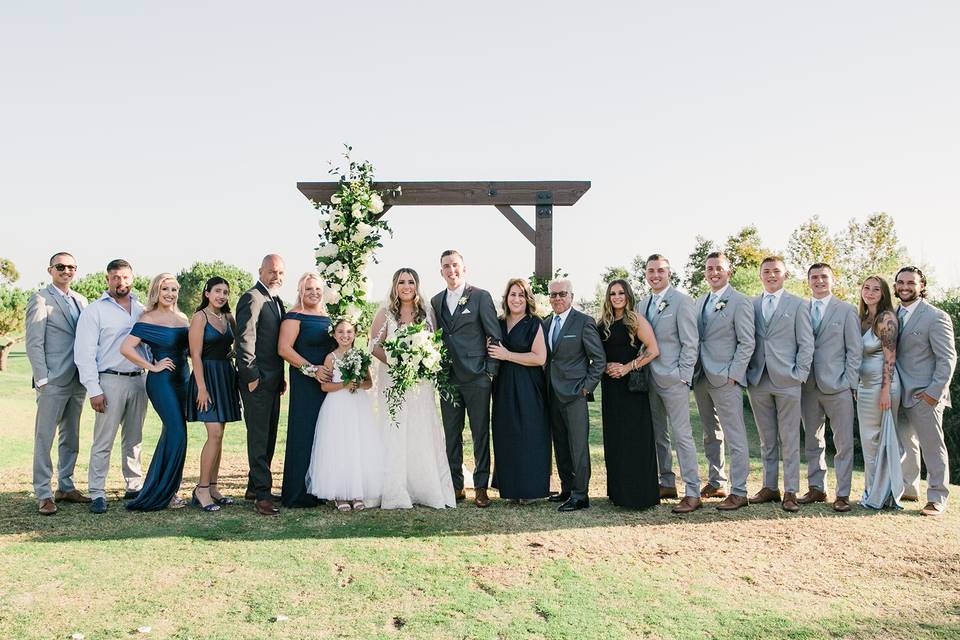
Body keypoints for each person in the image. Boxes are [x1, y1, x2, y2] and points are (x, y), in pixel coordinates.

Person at [372, 268, 456, 510]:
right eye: (401, 282)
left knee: (421, 426)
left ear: (417, 285)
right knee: (395, 427)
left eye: (411, 282)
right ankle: (395, 488)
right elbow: (374, 346)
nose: (406, 286)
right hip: (393, 379)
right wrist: (398, 362)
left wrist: (420, 362)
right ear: (394, 286)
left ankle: (425, 487)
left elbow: (434, 345)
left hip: (421, 381)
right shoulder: (385, 313)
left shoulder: (426, 312)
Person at [74, 258, 148, 514]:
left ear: (132, 278)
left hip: (138, 380)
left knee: (134, 438)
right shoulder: (95, 311)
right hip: (109, 380)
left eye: (125, 277)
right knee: (103, 440)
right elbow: (84, 354)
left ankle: (134, 485)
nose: (121, 282)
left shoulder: (141, 310)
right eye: (115, 278)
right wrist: (94, 389)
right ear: (108, 280)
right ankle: (97, 492)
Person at [430, 250, 502, 507]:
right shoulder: (435, 301)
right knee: (452, 434)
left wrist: (490, 371)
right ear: (441, 272)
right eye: (446, 267)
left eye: (455, 265)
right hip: (448, 379)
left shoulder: (480, 297)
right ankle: (455, 485)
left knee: (480, 433)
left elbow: (494, 334)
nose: (452, 270)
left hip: (477, 377)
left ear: (464, 268)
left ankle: (481, 487)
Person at [746, 256, 814, 513]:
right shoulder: (751, 304)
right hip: (758, 378)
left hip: (788, 379)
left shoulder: (798, 305)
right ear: (760, 275)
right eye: (766, 271)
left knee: (790, 437)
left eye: (776, 271)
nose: (771, 275)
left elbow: (806, 344)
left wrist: (799, 374)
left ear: (785, 275)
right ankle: (769, 486)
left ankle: (791, 491)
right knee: (767, 438)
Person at [119, 273, 191, 511]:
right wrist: (152, 366)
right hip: (162, 382)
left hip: (183, 380)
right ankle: (165, 493)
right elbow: (126, 348)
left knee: (173, 434)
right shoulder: (147, 318)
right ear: (156, 293)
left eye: (174, 290)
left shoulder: (182, 318)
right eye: (165, 290)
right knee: (178, 432)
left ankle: (166, 489)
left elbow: (191, 350)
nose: (170, 294)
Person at [26, 252, 90, 515]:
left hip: (77, 379)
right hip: (52, 380)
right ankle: (43, 492)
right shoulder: (41, 299)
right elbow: (34, 341)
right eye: (61, 267)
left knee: (71, 436)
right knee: (45, 437)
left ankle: (66, 485)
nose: (66, 271)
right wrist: (42, 377)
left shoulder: (81, 300)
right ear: (50, 270)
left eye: (71, 267)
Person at [638, 254, 702, 514]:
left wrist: (683, 375)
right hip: (649, 378)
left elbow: (691, 342)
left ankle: (693, 491)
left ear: (669, 273)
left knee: (682, 435)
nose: (655, 275)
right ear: (646, 274)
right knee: (658, 434)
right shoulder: (642, 305)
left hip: (674, 379)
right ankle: (666, 481)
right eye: (651, 271)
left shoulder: (683, 301)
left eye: (660, 271)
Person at [692, 252, 755, 511]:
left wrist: (734, 374)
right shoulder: (699, 301)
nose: (713, 272)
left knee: (735, 435)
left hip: (726, 377)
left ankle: (739, 491)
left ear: (728, 271)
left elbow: (747, 341)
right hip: (701, 376)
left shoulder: (740, 301)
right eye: (709, 268)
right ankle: (717, 481)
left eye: (719, 268)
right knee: (710, 433)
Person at [893, 266, 957, 516]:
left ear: (922, 286)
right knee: (906, 444)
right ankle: (909, 488)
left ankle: (937, 497)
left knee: (932, 446)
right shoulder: (891, 314)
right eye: (901, 282)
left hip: (925, 394)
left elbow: (947, 358)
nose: (905, 286)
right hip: (898, 393)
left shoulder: (936, 317)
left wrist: (934, 393)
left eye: (911, 282)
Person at [799, 263, 862, 512]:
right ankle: (816, 488)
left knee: (843, 442)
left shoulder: (846, 310)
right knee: (813, 441)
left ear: (832, 280)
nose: (819, 281)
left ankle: (843, 494)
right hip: (808, 385)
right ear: (808, 281)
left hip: (838, 386)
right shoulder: (801, 308)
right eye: (814, 277)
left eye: (824, 276)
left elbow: (854, 351)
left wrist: (849, 383)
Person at [305, 318, 383, 511]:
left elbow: (368, 383)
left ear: (355, 334)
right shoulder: (330, 357)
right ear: (334, 335)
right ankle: (340, 494)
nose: (345, 336)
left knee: (357, 446)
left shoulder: (360, 355)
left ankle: (356, 493)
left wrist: (357, 383)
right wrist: (344, 385)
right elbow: (324, 386)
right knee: (339, 447)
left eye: (349, 332)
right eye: (340, 332)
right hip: (337, 406)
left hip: (358, 406)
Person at [486, 278, 551, 504]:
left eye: (521, 295)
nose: (516, 299)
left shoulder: (535, 323)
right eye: (512, 295)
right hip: (503, 385)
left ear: (527, 299)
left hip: (528, 385)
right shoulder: (499, 323)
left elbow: (539, 357)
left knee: (530, 433)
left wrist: (508, 355)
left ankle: (530, 489)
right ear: (506, 298)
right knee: (507, 433)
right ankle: (510, 488)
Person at [597, 279, 660, 509]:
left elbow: (653, 350)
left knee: (634, 439)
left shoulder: (635, 320)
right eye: (612, 293)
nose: (617, 297)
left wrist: (627, 367)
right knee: (615, 439)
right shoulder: (602, 323)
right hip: (610, 387)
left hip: (631, 388)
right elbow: (596, 354)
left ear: (628, 295)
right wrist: (605, 367)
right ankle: (618, 493)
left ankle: (638, 495)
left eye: (621, 292)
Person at [543, 278, 605, 512]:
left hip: (575, 394)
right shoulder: (547, 323)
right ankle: (567, 488)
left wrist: (586, 388)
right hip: (552, 394)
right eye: (553, 295)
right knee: (560, 444)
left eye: (562, 294)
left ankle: (581, 495)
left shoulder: (583, 322)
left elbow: (598, 360)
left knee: (578, 446)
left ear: (571, 296)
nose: (557, 298)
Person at [278, 272, 335, 509]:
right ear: (300, 291)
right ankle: (299, 492)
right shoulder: (294, 316)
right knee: (304, 433)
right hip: (305, 383)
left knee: (325, 434)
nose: (313, 293)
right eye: (308, 289)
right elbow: (284, 349)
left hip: (329, 384)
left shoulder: (328, 316)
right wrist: (312, 370)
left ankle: (322, 487)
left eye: (317, 289)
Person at [236, 254, 287, 516]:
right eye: (271, 272)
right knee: (258, 438)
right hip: (257, 382)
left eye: (280, 273)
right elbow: (244, 339)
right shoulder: (252, 297)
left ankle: (254, 487)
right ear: (260, 271)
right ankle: (263, 497)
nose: (276, 276)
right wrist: (252, 376)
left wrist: (280, 377)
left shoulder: (275, 300)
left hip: (273, 381)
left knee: (268, 437)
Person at [186, 277, 241, 511]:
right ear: (206, 293)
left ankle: (214, 487)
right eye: (217, 291)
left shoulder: (228, 317)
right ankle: (201, 489)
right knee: (214, 433)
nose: (222, 295)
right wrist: (201, 387)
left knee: (221, 434)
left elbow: (238, 343)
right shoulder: (200, 318)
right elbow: (195, 355)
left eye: (225, 292)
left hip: (225, 376)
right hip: (206, 377)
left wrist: (234, 355)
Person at [857, 275, 904, 509]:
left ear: (884, 293)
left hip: (882, 387)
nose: (871, 292)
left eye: (876, 289)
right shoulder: (864, 318)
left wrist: (885, 390)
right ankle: (871, 490)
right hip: (864, 388)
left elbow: (890, 357)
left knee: (880, 441)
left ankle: (882, 495)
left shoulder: (886, 318)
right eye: (867, 288)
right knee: (869, 441)